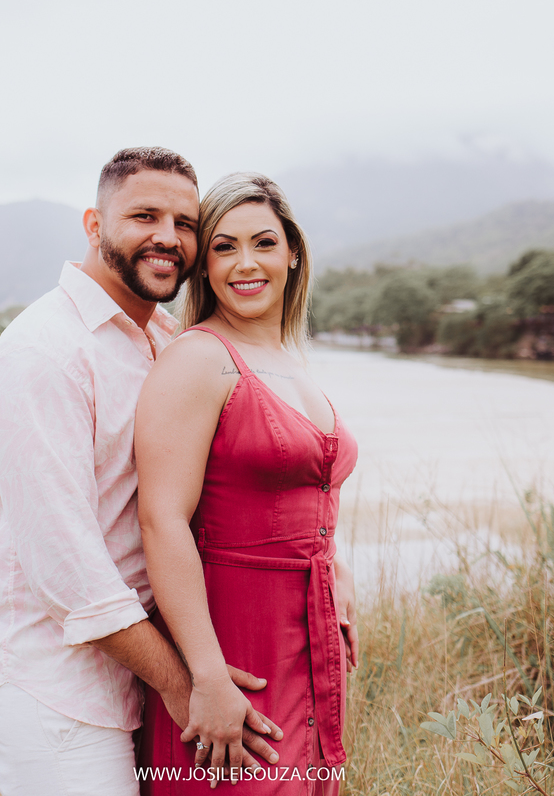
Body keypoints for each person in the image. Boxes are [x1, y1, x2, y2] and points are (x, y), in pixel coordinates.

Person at [0, 149, 281, 796]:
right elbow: (67, 569)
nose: (168, 237)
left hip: (138, 672)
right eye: (145, 215)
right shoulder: (42, 355)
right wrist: (186, 682)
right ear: (93, 224)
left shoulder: (168, 341)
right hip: (55, 688)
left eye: (185, 223)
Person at [135, 172, 360, 794]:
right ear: (202, 270)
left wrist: (334, 570)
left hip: (307, 640)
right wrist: (205, 676)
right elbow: (162, 519)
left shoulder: (291, 363)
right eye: (224, 248)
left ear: (293, 252)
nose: (246, 264)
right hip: (235, 641)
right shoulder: (198, 359)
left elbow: (309, 491)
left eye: (262, 243)